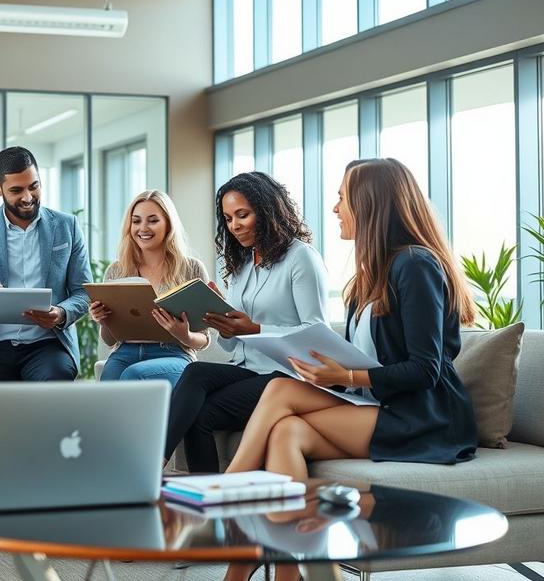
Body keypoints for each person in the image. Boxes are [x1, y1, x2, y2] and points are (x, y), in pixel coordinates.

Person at [222, 158, 477, 581]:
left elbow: (425, 370)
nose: (336, 207)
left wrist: (346, 376)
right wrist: (331, 367)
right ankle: (289, 574)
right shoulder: (368, 275)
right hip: (378, 401)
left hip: (424, 414)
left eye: (342, 197)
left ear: (370, 202)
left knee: (281, 394)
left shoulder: (415, 265)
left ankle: (228, 493)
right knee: (285, 427)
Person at [163, 172, 328, 473]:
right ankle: (208, 500)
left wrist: (254, 328)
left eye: (243, 215)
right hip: (247, 371)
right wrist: (219, 319)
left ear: (266, 211)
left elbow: (316, 336)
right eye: (228, 218)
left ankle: (152, 462)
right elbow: (232, 343)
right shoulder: (241, 265)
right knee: (196, 396)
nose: (235, 225)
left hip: (287, 377)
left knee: (197, 377)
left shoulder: (301, 258)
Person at [0, 146, 91, 462]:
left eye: (34, 186)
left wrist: (61, 313)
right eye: (16, 190)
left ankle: (49, 483)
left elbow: (84, 292)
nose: (27, 197)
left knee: (54, 401)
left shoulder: (66, 226)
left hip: (47, 346)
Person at [91, 190, 211, 387]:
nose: (143, 228)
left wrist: (184, 335)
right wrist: (104, 321)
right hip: (125, 352)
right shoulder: (117, 270)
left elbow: (204, 339)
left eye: (153, 220)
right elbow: (110, 341)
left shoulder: (191, 268)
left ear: (168, 224)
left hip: (175, 354)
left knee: (134, 374)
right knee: (108, 387)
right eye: (136, 221)